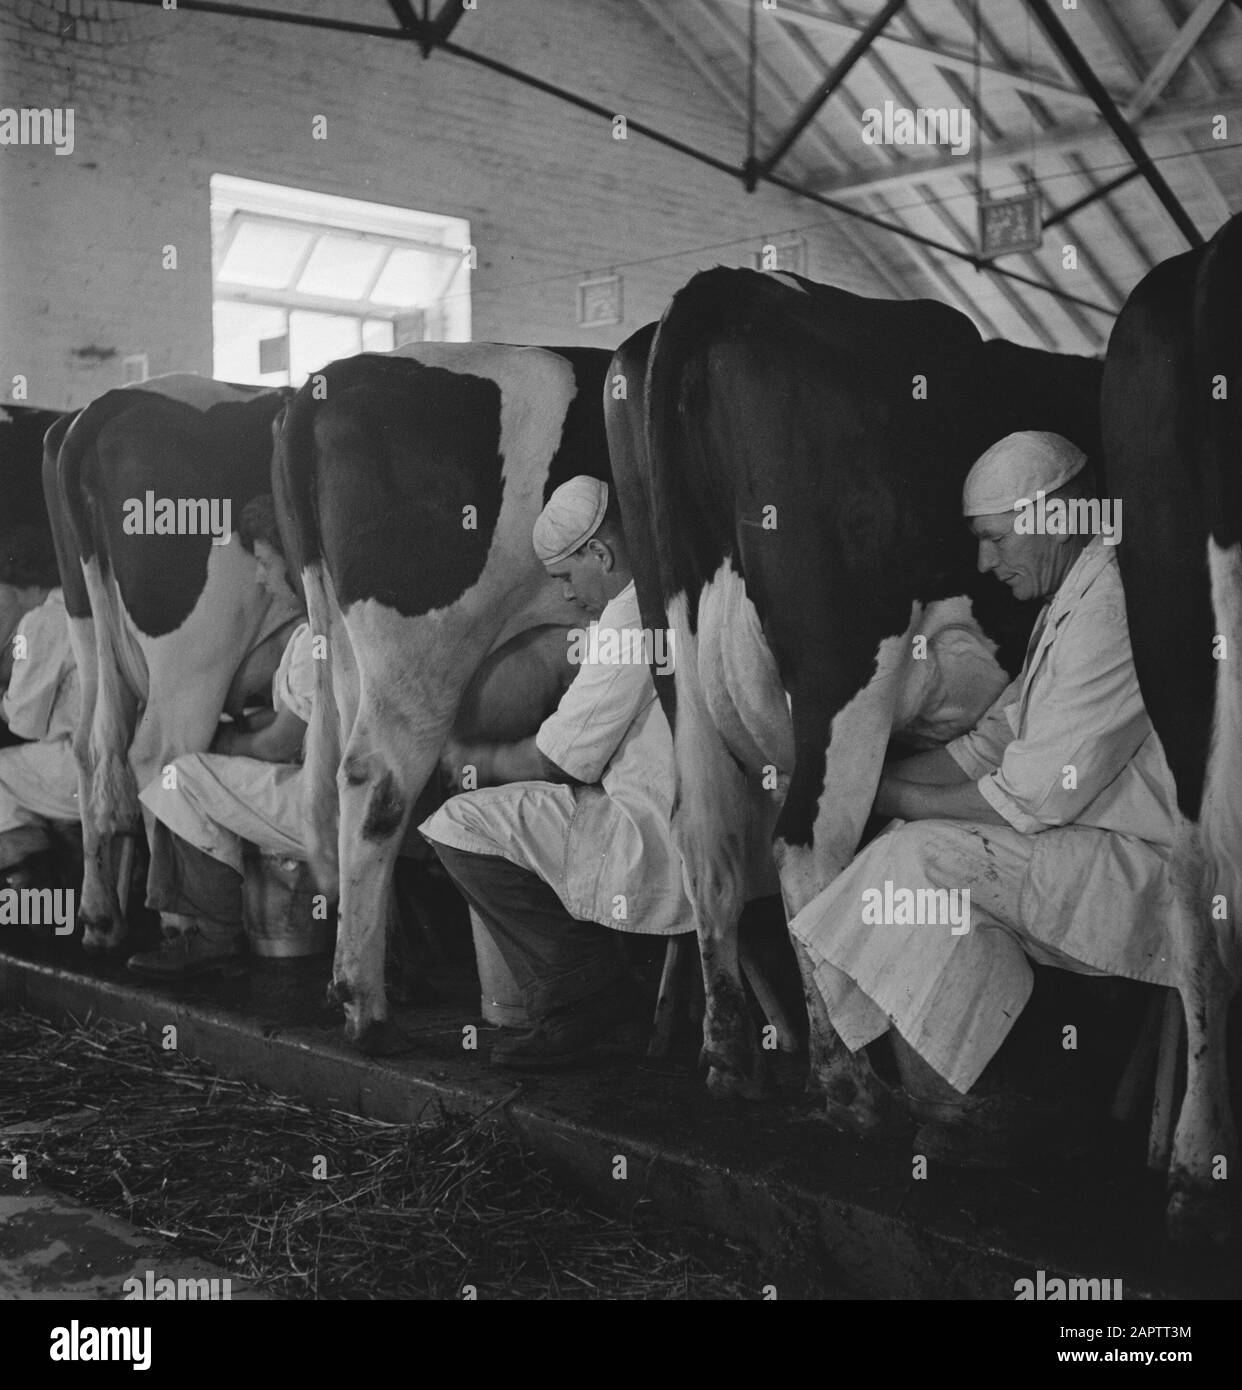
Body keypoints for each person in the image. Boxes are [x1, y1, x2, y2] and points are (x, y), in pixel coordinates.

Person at [788, 431, 1179, 1166]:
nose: (982, 563)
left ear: (1052, 516)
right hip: (1083, 840)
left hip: (1147, 867)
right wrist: (855, 784)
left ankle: (973, 1103)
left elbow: (1031, 795)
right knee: (897, 842)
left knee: (915, 858)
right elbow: (989, 744)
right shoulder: (1078, 591)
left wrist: (889, 793)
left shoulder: (1115, 601)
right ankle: (958, 1088)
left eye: (996, 539)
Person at [421, 476, 694, 1068]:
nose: (567, 596)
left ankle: (584, 994)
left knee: (456, 823)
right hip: (721, 828)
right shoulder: (684, 585)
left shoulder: (629, 617)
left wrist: (476, 759)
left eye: (568, 577)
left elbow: (558, 760)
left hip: (654, 832)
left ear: (601, 553)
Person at [126, 496, 309, 979]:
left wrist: (221, 745)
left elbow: (280, 745)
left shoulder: (315, 640)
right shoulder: (317, 630)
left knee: (178, 775)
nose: (260, 579)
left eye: (268, 564)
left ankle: (213, 935)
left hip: (319, 804)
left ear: (295, 563)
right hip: (326, 794)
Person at [0, 525, 81, 881]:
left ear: (20, 586)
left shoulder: (42, 619)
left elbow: (22, 722)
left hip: (89, 767)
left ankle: (28, 868)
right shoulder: (82, 605)